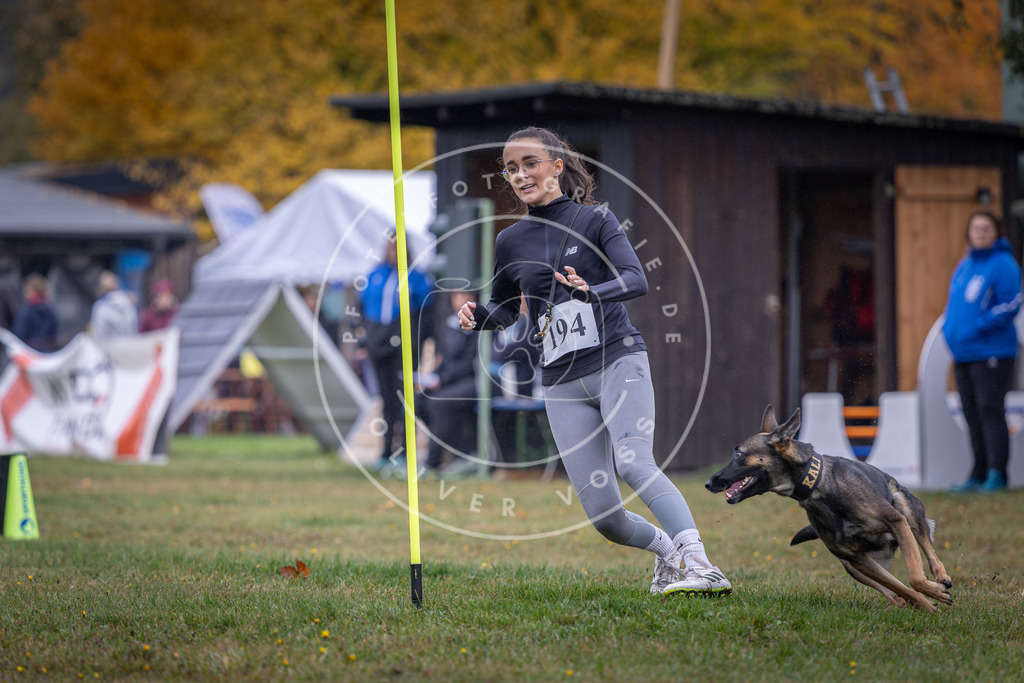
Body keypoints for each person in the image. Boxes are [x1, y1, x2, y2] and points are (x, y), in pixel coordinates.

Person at [458, 126, 732, 595]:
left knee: (633, 462)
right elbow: (504, 311)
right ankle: (668, 553)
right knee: (605, 517)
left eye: (529, 163)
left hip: (617, 361)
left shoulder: (595, 220)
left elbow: (635, 279)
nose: (520, 174)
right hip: (561, 383)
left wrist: (591, 292)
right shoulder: (510, 241)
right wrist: (477, 317)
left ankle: (702, 565)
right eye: (511, 168)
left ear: (557, 165)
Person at [943, 211, 1021, 492]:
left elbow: (1010, 304)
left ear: (996, 232)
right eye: (976, 228)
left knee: (990, 410)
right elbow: (954, 306)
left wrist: (976, 327)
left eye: (986, 228)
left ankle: (997, 473)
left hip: (992, 352)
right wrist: (950, 329)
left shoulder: (1003, 264)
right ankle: (978, 472)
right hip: (963, 354)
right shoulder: (965, 265)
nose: (980, 232)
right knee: (972, 413)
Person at [358, 240, 434, 471]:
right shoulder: (375, 275)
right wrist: (365, 340)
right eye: (392, 247)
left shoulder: (417, 278)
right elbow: (361, 308)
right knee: (387, 399)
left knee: (405, 399)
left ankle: (407, 452)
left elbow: (426, 313)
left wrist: (415, 341)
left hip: (404, 346)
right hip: (379, 345)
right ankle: (387, 450)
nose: (395, 251)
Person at [420, 290, 479, 476]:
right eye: (458, 295)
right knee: (419, 401)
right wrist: (434, 377)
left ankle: (432, 462)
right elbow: (445, 359)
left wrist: (443, 379)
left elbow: (471, 362)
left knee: (438, 403)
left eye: (466, 295)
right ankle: (462, 450)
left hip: (473, 381)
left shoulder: (480, 324)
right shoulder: (448, 323)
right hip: (451, 381)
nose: (462, 299)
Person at [12, 273, 58, 352]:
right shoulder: (51, 310)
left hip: (29, 353)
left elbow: (20, 335)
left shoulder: (26, 311)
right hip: (47, 352)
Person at [91, 270, 138, 338]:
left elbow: (98, 332)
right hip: (129, 342)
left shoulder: (99, 307)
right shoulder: (128, 301)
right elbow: (134, 326)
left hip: (108, 343)